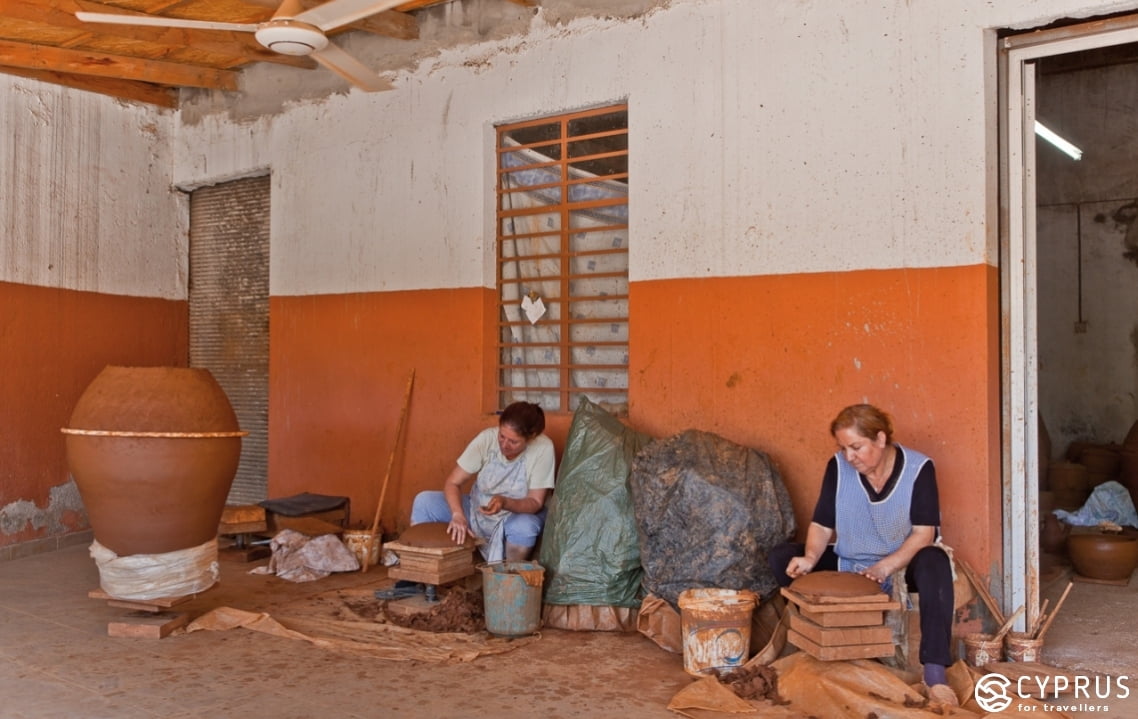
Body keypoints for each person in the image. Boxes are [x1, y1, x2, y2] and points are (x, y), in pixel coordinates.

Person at [768, 404, 957, 706]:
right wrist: (810, 558)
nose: (849, 457)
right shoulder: (838, 467)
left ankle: (935, 675)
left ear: (880, 439)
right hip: (851, 563)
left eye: (856, 447)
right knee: (782, 557)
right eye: (843, 448)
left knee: (936, 561)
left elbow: (924, 534)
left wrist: (885, 567)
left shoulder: (919, 468)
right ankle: (826, 643)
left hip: (899, 566)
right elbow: (821, 523)